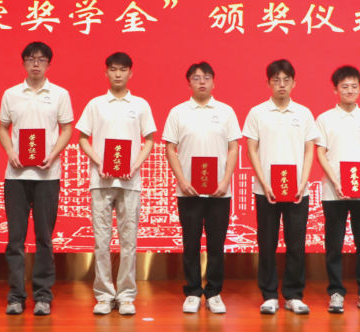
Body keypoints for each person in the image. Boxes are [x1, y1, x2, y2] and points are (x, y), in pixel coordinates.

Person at [0, 42, 74, 317]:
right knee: (15, 239)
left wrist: (53, 154)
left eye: (41, 60)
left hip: (47, 176)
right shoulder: (11, 94)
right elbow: (3, 128)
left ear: (49, 64)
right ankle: (16, 296)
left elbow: (67, 129)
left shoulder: (60, 94)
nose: (36, 64)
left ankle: (43, 295)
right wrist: (10, 151)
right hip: (16, 176)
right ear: (24, 63)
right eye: (30, 59)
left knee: (44, 238)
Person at [77, 52, 157, 316]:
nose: (118, 74)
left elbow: (149, 140)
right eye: (113, 69)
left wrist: (135, 166)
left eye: (123, 69)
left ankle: (126, 295)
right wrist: (99, 162)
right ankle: (103, 295)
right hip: (101, 180)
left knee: (128, 240)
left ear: (131, 73)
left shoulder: (141, 105)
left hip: (130, 181)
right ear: (106, 73)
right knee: (101, 240)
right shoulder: (96, 104)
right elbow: (83, 138)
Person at [164, 62, 241, 315]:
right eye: (196, 78)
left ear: (213, 82)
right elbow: (170, 148)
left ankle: (214, 292)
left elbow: (233, 148)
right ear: (189, 83)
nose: (202, 82)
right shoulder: (178, 112)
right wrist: (182, 181)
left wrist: (225, 180)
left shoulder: (226, 111)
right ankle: (193, 292)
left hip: (219, 191)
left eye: (206, 77)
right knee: (191, 243)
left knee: (216, 244)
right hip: (189, 191)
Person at [243, 59, 319, 316]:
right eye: (276, 80)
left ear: (294, 83)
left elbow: (309, 150)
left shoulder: (304, 113)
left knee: (296, 244)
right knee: (267, 243)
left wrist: (303, 181)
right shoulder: (257, 113)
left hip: (297, 190)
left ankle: (294, 295)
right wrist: (263, 182)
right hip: (266, 190)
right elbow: (251, 149)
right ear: (268, 83)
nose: (282, 85)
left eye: (286, 80)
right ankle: (269, 296)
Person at [315, 66, 360, 315]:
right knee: (334, 245)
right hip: (334, 192)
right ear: (335, 89)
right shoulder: (324, 119)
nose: (350, 90)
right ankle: (336, 292)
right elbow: (320, 152)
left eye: (354, 86)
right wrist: (335, 182)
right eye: (344, 86)